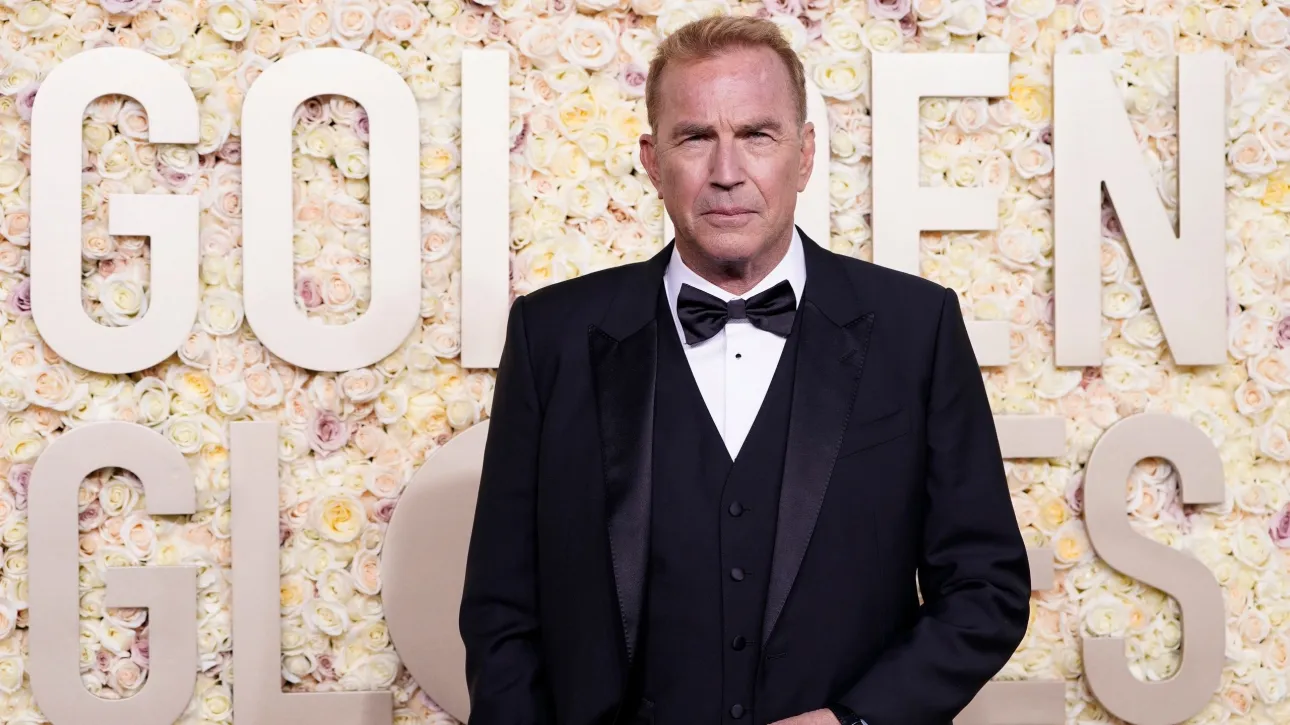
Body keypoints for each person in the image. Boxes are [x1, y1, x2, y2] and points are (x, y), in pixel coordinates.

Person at [459, 15, 1031, 725]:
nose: (727, 173)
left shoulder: (917, 328)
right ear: (652, 160)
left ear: (805, 155)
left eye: (757, 135)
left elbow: (985, 588)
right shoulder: (552, 336)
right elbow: (501, 611)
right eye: (696, 137)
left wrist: (856, 721)